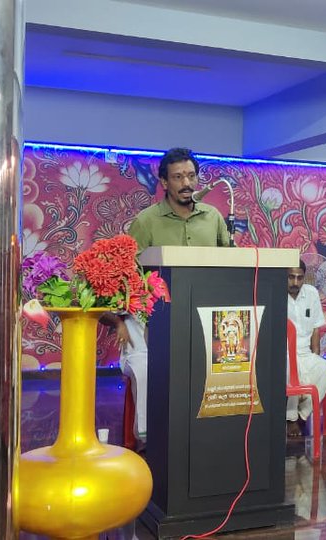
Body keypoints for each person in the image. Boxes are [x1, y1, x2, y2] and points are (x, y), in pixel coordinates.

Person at [113, 147, 231, 447]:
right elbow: (130, 275)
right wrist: (121, 320)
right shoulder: (147, 221)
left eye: (191, 175)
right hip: (157, 319)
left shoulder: (213, 217)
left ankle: (208, 437)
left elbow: (229, 264)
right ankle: (152, 441)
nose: (186, 183)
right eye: (178, 177)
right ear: (164, 182)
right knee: (150, 370)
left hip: (205, 316)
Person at [286, 261, 326, 438]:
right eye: (291, 277)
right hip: (284, 353)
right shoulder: (275, 293)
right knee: (291, 369)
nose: (295, 282)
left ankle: (302, 415)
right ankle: (290, 419)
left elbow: (315, 328)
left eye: (299, 278)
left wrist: (316, 355)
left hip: (305, 352)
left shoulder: (311, 293)